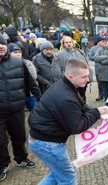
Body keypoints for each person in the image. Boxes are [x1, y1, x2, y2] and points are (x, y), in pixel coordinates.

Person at [28, 58, 108, 185]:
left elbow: (81, 104)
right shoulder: (65, 98)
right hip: (48, 144)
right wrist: (96, 113)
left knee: (57, 174)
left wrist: (95, 111)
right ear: (71, 76)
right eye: (84, 77)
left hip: (42, 139)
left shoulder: (66, 85)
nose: (88, 80)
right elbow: (77, 127)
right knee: (68, 178)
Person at [0, 34, 41, 182]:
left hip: (16, 108)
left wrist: (41, 100)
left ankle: (21, 158)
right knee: (1, 141)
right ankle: (3, 164)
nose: (0, 46)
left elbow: (31, 83)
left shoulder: (18, 62)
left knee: (19, 136)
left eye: (3, 44)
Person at [57, 36, 89, 101]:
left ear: (73, 42)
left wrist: (88, 77)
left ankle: (83, 109)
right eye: (66, 42)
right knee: (73, 96)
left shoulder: (80, 52)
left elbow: (86, 64)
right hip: (70, 80)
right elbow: (59, 68)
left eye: (70, 42)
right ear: (63, 44)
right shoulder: (59, 55)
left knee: (82, 95)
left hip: (81, 78)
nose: (68, 44)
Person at [8, 43, 38, 111]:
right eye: (15, 52)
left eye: (19, 52)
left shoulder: (27, 63)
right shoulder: (6, 66)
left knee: (36, 110)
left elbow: (33, 77)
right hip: (16, 97)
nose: (18, 54)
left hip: (29, 94)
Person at [89, 36, 103, 101]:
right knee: (99, 82)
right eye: (101, 41)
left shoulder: (106, 48)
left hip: (106, 67)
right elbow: (90, 56)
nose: (102, 42)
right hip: (98, 67)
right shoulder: (93, 49)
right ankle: (100, 94)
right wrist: (97, 58)